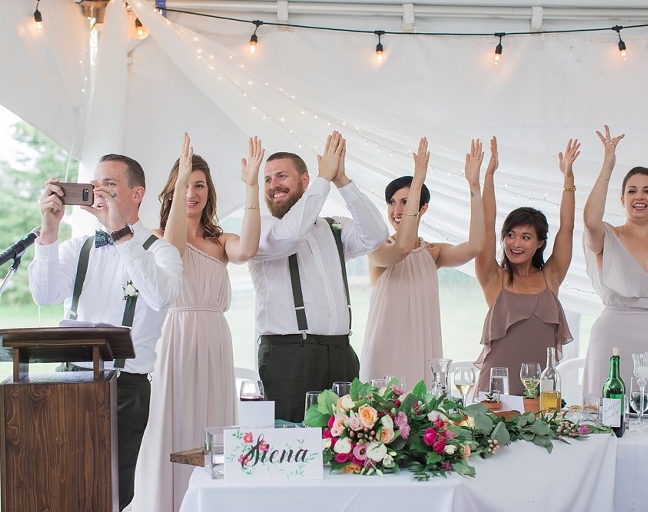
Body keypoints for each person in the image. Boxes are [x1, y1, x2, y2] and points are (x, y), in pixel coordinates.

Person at [28, 154, 183, 511]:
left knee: (111, 494)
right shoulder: (77, 247)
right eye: (95, 184)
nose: (99, 192)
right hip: (67, 385)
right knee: (61, 489)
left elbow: (160, 296)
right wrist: (49, 232)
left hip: (123, 388)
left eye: (110, 185)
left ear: (137, 193)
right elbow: (44, 294)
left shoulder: (162, 252)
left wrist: (122, 235)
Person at [134, 134, 263, 512]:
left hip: (213, 341)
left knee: (213, 424)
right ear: (173, 190)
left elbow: (250, 248)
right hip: (173, 338)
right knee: (170, 422)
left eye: (200, 185)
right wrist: (183, 174)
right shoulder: (158, 237)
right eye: (186, 184)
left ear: (210, 193)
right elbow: (173, 251)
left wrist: (252, 186)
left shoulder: (221, 241)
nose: (193, 192)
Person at [249, 131, 388, 423]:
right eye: (267, 179)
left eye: (282, 176)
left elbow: (377, 234)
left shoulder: (333, 227)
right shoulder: (261, 228)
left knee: (349, 442)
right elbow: (290, 237)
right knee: (290, 446)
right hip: (289, 358)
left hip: (341, 353)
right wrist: (324, 181)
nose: (274, 185)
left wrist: (341, 181)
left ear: (304, 181)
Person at [360, 138, 484, 388]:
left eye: (406, 201)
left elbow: (475, 246)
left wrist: (474, 185)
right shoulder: (378, 248)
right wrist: (417, 180)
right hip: (385, 352)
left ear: (423, 207)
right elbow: (403, 248)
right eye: (392, 202)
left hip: (422, 352)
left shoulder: (433, 253)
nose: (397, 210)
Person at [473, 137, 577, 396]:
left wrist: (568, 179)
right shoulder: (493, 278)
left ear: (540, 243)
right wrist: (489, 175)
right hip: (495, 393)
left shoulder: (551, 276)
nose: (515, 243)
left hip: (541, 394)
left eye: (526, 237)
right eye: (510, 234)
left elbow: (568, 227)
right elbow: (486, 226)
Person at [582, 126, 648, 394]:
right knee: (606, 419)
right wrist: (608, 166)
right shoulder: (608, 237)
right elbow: (590, 221)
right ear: (622, 199)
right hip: (612, 341)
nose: (639, 196)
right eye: (632, 191)